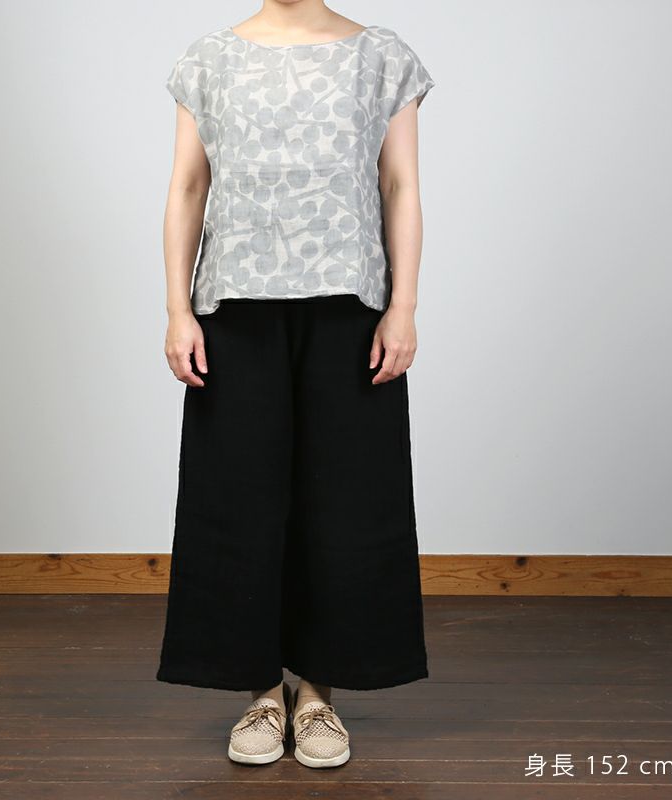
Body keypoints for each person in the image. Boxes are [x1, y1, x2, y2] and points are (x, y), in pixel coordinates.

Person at [156, 0, 435, 769]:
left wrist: (403, 307)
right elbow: (188, 187)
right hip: (235, 304)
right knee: (237, 498)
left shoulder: (381, 58)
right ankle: (259, 693)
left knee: (345, 499)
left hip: (350, 303)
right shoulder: (209, 59)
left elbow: (400, 184)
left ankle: (316, 695)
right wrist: (178, 310)